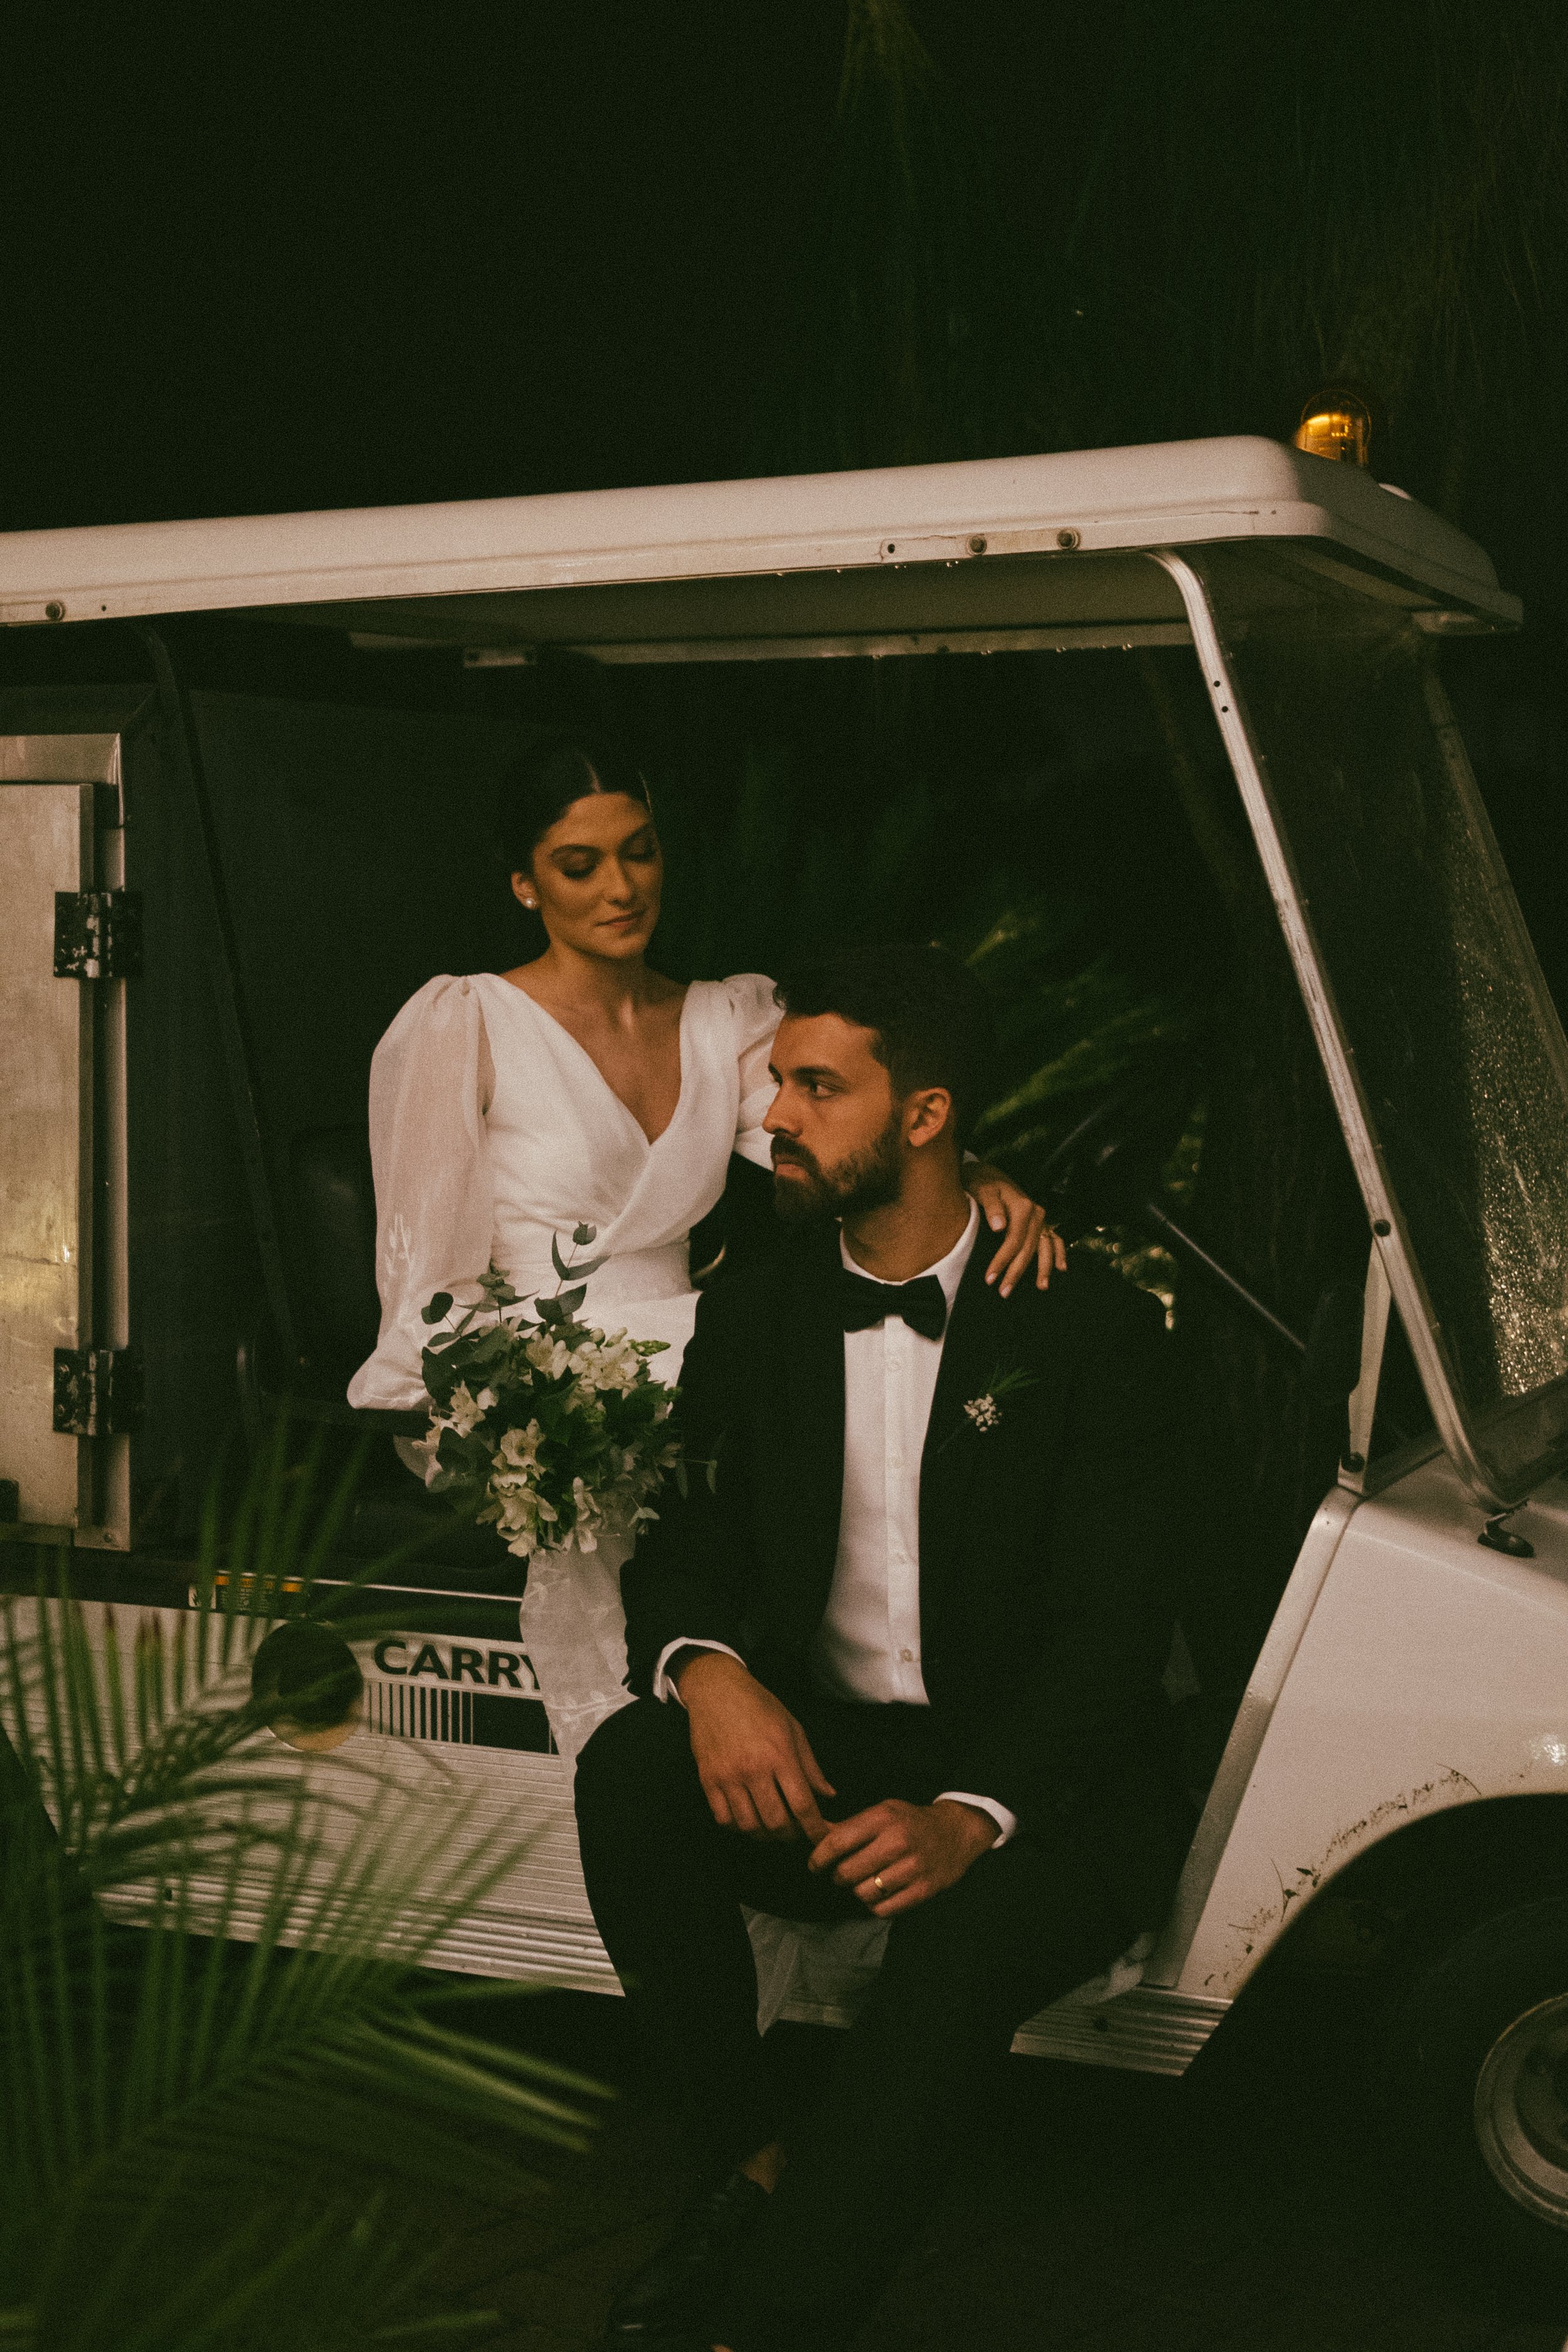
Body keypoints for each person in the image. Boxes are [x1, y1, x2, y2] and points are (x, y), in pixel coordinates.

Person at [574, 942, 1192, 2352]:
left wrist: (970, 1818)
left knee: (956, 1952)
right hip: (834, 1747)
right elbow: (679, 1528)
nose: (775, 1116)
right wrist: (709, 1672)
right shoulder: (764, 1302)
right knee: (629, 1771)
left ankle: (778, 2315)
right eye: (778, 1083)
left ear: (922, 1117)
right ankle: (745, 2165)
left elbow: (1112, 1632)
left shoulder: (1088, 1326)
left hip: (1047, 1784)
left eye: (815, 1087)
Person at [347, 735, 1061, 1754]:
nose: (620, 887)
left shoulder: (726, 1019)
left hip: (699, 1349)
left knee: (862, 1419)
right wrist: (511, 1419)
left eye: (639, 851)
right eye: (579, 864)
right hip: (538, 1373)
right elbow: (427, 1289)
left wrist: (974, 1172)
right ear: (523, 883)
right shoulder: (466, 1023)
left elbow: (843, 1136)